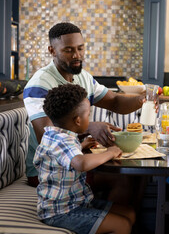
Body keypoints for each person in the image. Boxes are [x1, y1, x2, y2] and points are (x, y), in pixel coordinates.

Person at [23, 22, 152, 210]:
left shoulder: (83, 77)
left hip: (75, 157)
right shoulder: (40, 83)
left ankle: (122, 223)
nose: (77, 55)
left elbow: (115, 101)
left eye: (80, 48)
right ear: (52, 50)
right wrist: (90, 127)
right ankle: (115, 224)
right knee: (123, 180)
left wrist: (143, 99)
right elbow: (47, 135)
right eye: (68, 50)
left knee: (139, 176)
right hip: (49, 172)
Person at [34, 84, 135, 234]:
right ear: (77, 121)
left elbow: (62, 157)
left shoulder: (56, 135)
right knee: (122, 225)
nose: (90, 118)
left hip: (77, 202)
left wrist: (81, 146)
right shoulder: (63, 140)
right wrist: (111, 152)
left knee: (129, 214)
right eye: (88, 115)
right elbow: (81, 163)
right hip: (60, 212)